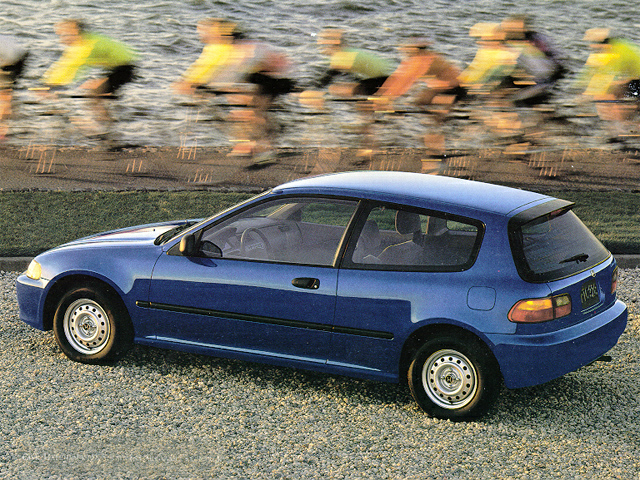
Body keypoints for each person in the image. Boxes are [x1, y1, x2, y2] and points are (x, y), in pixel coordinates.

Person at [41, 19, 138, 137]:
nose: (62, 40)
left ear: (76, 33)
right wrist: (47, 83)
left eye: (65, 35)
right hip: (118, 67)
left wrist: (49, 86)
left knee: (94, 96)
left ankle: (106, 129)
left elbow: (72, 67)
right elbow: (64, 64)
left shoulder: (87, 45)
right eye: (60, 35)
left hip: (124, 68)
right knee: (95, 96)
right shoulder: (84, 42)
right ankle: (109, 127)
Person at [575, 28, 640, 126]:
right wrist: (579, 88)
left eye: (594, 43)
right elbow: (590, 71)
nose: (592, 46)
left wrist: (582, 96)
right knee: (615, 89)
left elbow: (604, 75)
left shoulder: (616, 51)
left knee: (604, 94)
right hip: (636, 80)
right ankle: (627, 122)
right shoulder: (618, 46)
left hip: (637, 81)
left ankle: (619, 127)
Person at [316, 28, 394, 96]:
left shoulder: (343, 55)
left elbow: (328, 78)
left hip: (383, 81)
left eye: (323, 46)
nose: (321, 49)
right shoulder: (347, 52)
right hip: (382, 80)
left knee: (335, 89)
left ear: (331, 46)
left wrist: (313, 89)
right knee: (343, 87)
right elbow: (351, 77)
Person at [0, 35, 28, 139]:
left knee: (4, 94)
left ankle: (2, 130)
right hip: (16, 53)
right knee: (5, 93)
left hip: (9, 57)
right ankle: (4, 127)